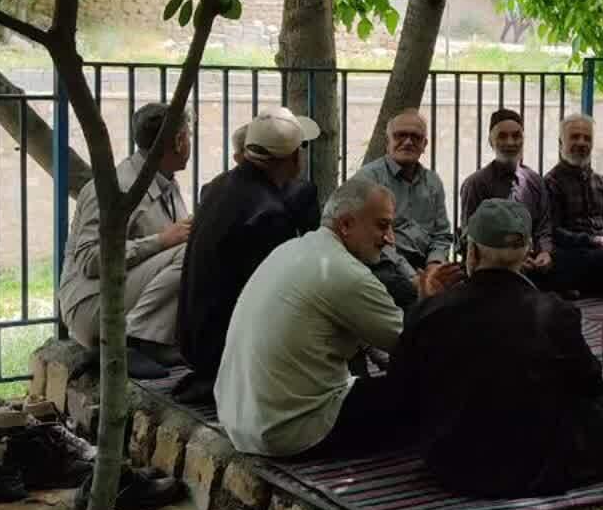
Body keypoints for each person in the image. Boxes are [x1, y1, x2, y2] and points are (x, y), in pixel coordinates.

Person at [393, 200, 603, 496]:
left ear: (472, 252)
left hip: (452, 466)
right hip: (540, 465)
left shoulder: (429, 312)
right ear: (527, 252)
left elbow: (402, 392)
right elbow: (591, 386)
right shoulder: (554, 312)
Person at [216, 174, 440, 459]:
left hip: (239, 420)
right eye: (382, 225)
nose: (389, 239)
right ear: (345, 225)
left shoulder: (291, 249)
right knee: (431, 391)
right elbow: (415, 346)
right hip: (287, 430)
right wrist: (433, 304)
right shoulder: (346, 273)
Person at [176, 106, 321, 403]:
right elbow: (274, 298)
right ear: (294, 158)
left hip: (195, 341)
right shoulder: (268, 215)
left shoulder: (219, 186)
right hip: (225, 353)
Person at [57, 102, 191, 371]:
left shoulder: (165, 181)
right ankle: (138, 341)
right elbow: (90, 260)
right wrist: (161, 240)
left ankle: (153, 338)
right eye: (188, 135)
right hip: (90, 307)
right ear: (178, 142)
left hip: (121, 300)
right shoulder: (114, 187)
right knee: (188, 253)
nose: (190, 143)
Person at [542, 113, 603, 296]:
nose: (581, 143)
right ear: (561, 143)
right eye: (575, 137)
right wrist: (595, 240)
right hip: (575, 250)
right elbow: (554, 231)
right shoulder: (552, 182)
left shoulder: (597, 180)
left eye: (587, 138)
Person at [459, 108, 552, 274]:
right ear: (491, 141)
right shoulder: (476, 184)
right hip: (493, 269)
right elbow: (469, 235)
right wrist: (510, 259)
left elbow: (543, 228)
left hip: (534, 267)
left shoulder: (535, 182)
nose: (510, 142)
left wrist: (544, 252)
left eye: (516, 136)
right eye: (502, 136)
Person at [361, 109, 453, 272]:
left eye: (416, 137)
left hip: (425, 265)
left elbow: (441, 235)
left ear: (424, 145)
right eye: (400, 135)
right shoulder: (369, 179)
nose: (408, 142)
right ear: (388, 143)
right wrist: (413, 277)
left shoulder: (433, 182)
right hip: (383, 267)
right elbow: (372, 239)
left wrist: (434, 265)